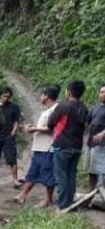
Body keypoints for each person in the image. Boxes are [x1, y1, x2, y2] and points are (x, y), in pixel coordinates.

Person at [15, 85, 59, 206]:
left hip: (48, 147)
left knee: (47, 173)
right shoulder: (46, 110)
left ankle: (48, 200)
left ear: (47, 96)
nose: (40, 97)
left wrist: (34, 129)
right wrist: (34, 128)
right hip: (39, 147)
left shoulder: (55, 110)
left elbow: (52, 128)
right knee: (33, 172)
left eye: (42, 95)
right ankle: (22, 195)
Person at [48, 80, 88, 209]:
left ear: (69, 92)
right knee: (71, 174)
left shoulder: (63, 106)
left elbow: (50, 123)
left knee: (61, 175)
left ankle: (63, 204)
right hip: (77, 146)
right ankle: (70, 203)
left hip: (62, 145)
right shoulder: (84, 108)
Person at [0, 87, 22, 188]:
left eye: (8, 97)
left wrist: (13, 132)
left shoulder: (14, 107)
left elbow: (16, 121)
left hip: (8, 136)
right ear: (0, 95)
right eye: (4, 96)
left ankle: (15, 180)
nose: (6, 98)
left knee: (11, 158)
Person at [85, 84, 105, 190]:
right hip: (91, 143)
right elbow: (87, 123)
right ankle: (91, 193)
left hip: (103, 145)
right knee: (91, 170)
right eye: (101, 92)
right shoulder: (95, 107)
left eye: (104, 92)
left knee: (102, 170)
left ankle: (102, 195)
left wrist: (102, 133)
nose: (103, 94)